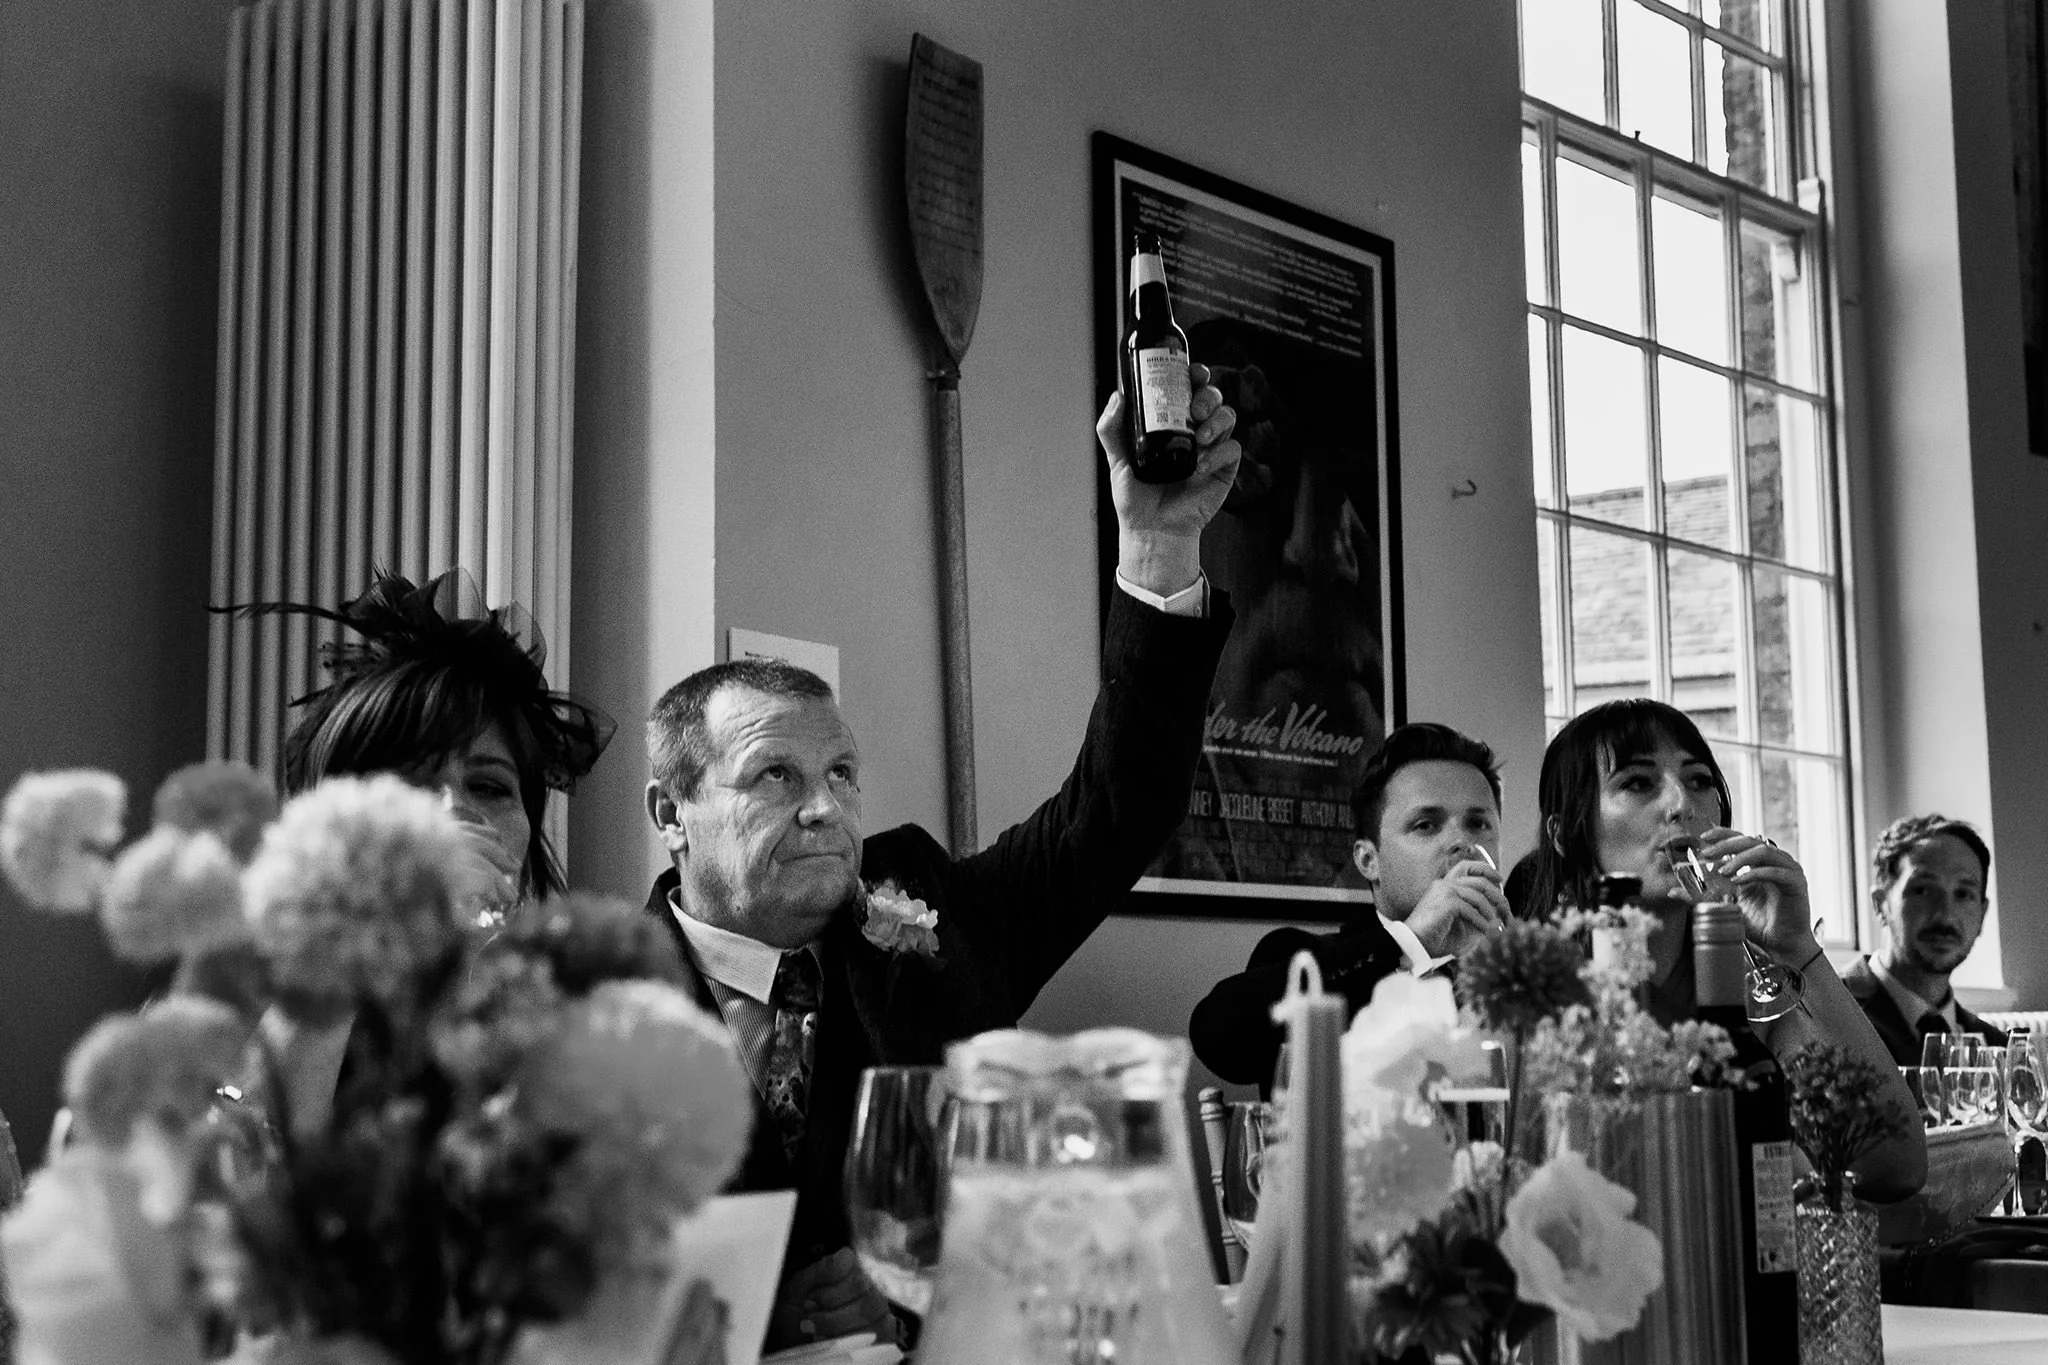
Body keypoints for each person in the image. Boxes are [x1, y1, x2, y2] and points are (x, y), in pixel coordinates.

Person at [640, 374, 1240, 1350]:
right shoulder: (578, 1001)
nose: (824, 806)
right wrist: (746, 1326)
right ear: (671, 811)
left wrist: (1159, 549)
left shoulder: (924, 910)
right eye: (775, 777)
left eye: (840, 770)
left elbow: (1118, 811)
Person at [1519, 698, 1926, 1201]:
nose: (1680, 805)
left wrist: (1797, 948)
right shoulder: (1535, 994)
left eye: (1698, 780)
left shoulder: (1742, 990)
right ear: (1565, 834)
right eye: (1637, 783)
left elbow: (1893, 1164)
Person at [1188, 722, 1508, 1091]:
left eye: (1478, 823)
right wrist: (1412, 940)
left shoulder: (1533, 974)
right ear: (1368, 860)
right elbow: (1219, 1039)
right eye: (1425, 825)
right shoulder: (1302, 957)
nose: (1460, 841)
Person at [1841, 814, 2006, 1065]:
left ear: (1982, 915)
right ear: (1880, 905)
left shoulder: (1998, 1049)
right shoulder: (1825, 1014)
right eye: (1922, 890)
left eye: (1963, 894)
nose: (1945, 914)